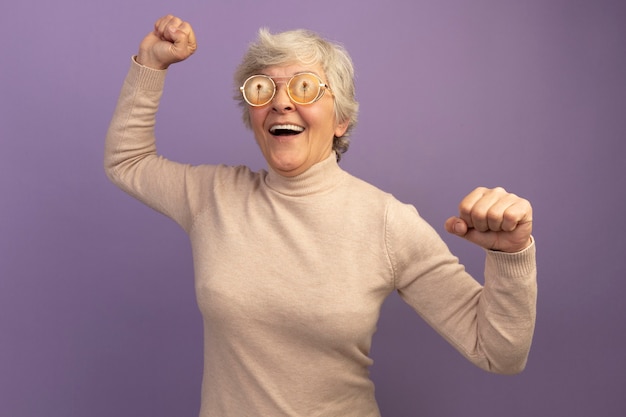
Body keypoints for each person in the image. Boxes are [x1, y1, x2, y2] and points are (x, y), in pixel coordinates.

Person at [105, 14, 537, 417]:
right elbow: (127, 161)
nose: (280, 103)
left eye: (305, 88)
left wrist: (511, 256)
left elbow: (499, 353)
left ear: (341, 120)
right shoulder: (213, 196)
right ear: (252, 114)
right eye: (263, 89)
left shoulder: (387, 222)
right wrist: (151, 64)